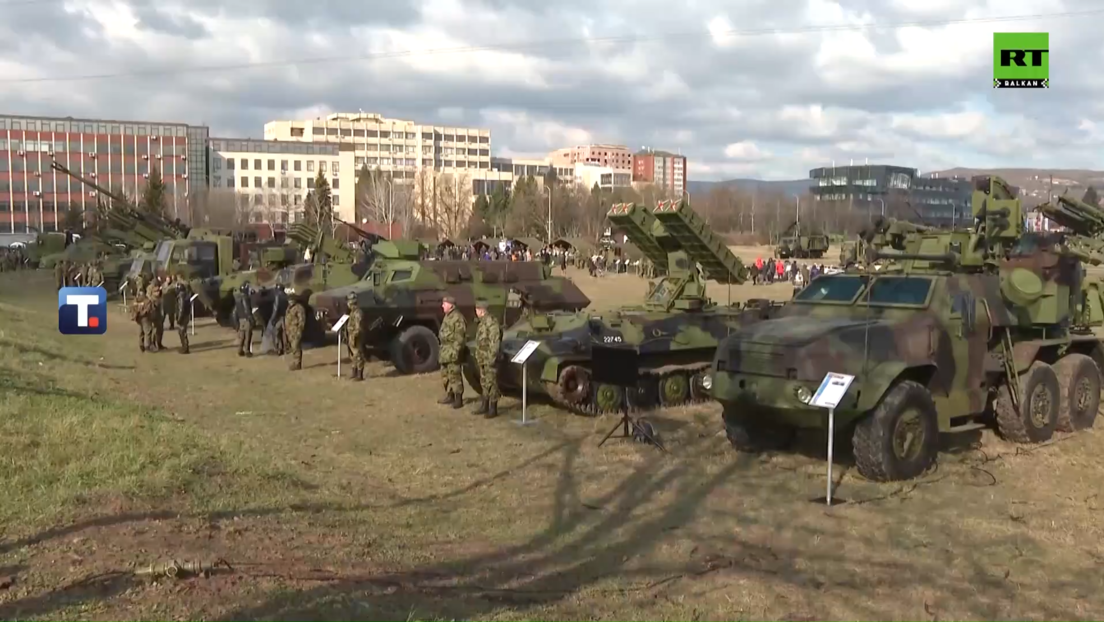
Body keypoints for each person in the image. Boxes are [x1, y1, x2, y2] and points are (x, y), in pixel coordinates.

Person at [436, 295, 467, 409]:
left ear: (451, 305)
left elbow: (460, 338)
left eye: (444, 303)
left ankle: (458, 399)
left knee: (455, 375)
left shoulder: (457, 318)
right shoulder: (447, 316)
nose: (442, 305)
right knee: (446, 375)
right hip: (445, 351)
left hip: (452, 352)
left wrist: (456, 352)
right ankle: (450, 395)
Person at [472, 300, 502, 418]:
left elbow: (495, 342)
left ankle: (493, 408)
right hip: (482, 358)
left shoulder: (491, 323)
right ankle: (485, 405)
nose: (476, 312)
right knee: (484, 382)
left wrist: (492, 358)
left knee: (492, 383)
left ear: (481, 310)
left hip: (489, 359)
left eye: (477, 310)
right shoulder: (482, 323)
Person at [344, 292, 365, 381]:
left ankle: (359, 375)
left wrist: (354, 337)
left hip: (356, 337)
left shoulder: (357, 313)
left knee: (358, 355)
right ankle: (354, 372)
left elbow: (358, 327)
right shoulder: (352, 312)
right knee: (353, 356)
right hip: (351, 336)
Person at [284, 287, 306, 371]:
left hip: (296, 331)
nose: (290, 301)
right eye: (289, 300)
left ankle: (297, 363)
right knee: (293, 348)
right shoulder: (289, 308)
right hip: (290, 331)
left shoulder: (299, 308)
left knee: (296, 346)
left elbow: (302, 320)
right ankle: (295, 361)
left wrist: (299, 330)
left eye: (292, 300)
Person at [233, 283, 254, 357]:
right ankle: (247, 351)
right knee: (248, 335)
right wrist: (251, 319)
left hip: (241, 319)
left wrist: (236, 322)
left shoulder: (237, 298)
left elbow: (234, 311)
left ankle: (240, 349)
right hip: (246, 319)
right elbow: (247, 309)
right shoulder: (245, 298)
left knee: (242, 336)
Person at [173, 276, 192, 354]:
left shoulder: (181, 296)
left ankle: (185, 348)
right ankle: (184, 347)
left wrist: (179, 318)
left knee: (182, 332)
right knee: (182, 332)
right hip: (186, 316)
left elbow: (181, 308)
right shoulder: (185, 295)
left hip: (183, 317)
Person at [145, 278, 164, 350]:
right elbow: (148, 297)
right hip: (152, 309)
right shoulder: (149, 289)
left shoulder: (158, 289)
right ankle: (152, 344)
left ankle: (158, 343)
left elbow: (161, 297)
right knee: (153, 329)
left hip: (158, 309)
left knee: (160, 328)